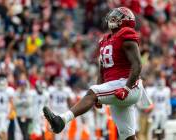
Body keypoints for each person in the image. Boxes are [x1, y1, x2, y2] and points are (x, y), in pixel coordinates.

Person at [43, 7, 144, 140]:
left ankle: (61, 120)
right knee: (127, 135)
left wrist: (126, 88)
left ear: (126, 21)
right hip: (116, 86)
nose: (113, 18)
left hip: (127, 85)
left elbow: (137, 64)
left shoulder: (126, 34)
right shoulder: (105, 40)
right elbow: (102, 71)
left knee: (92, 91)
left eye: (118, 16)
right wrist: (98, 93)